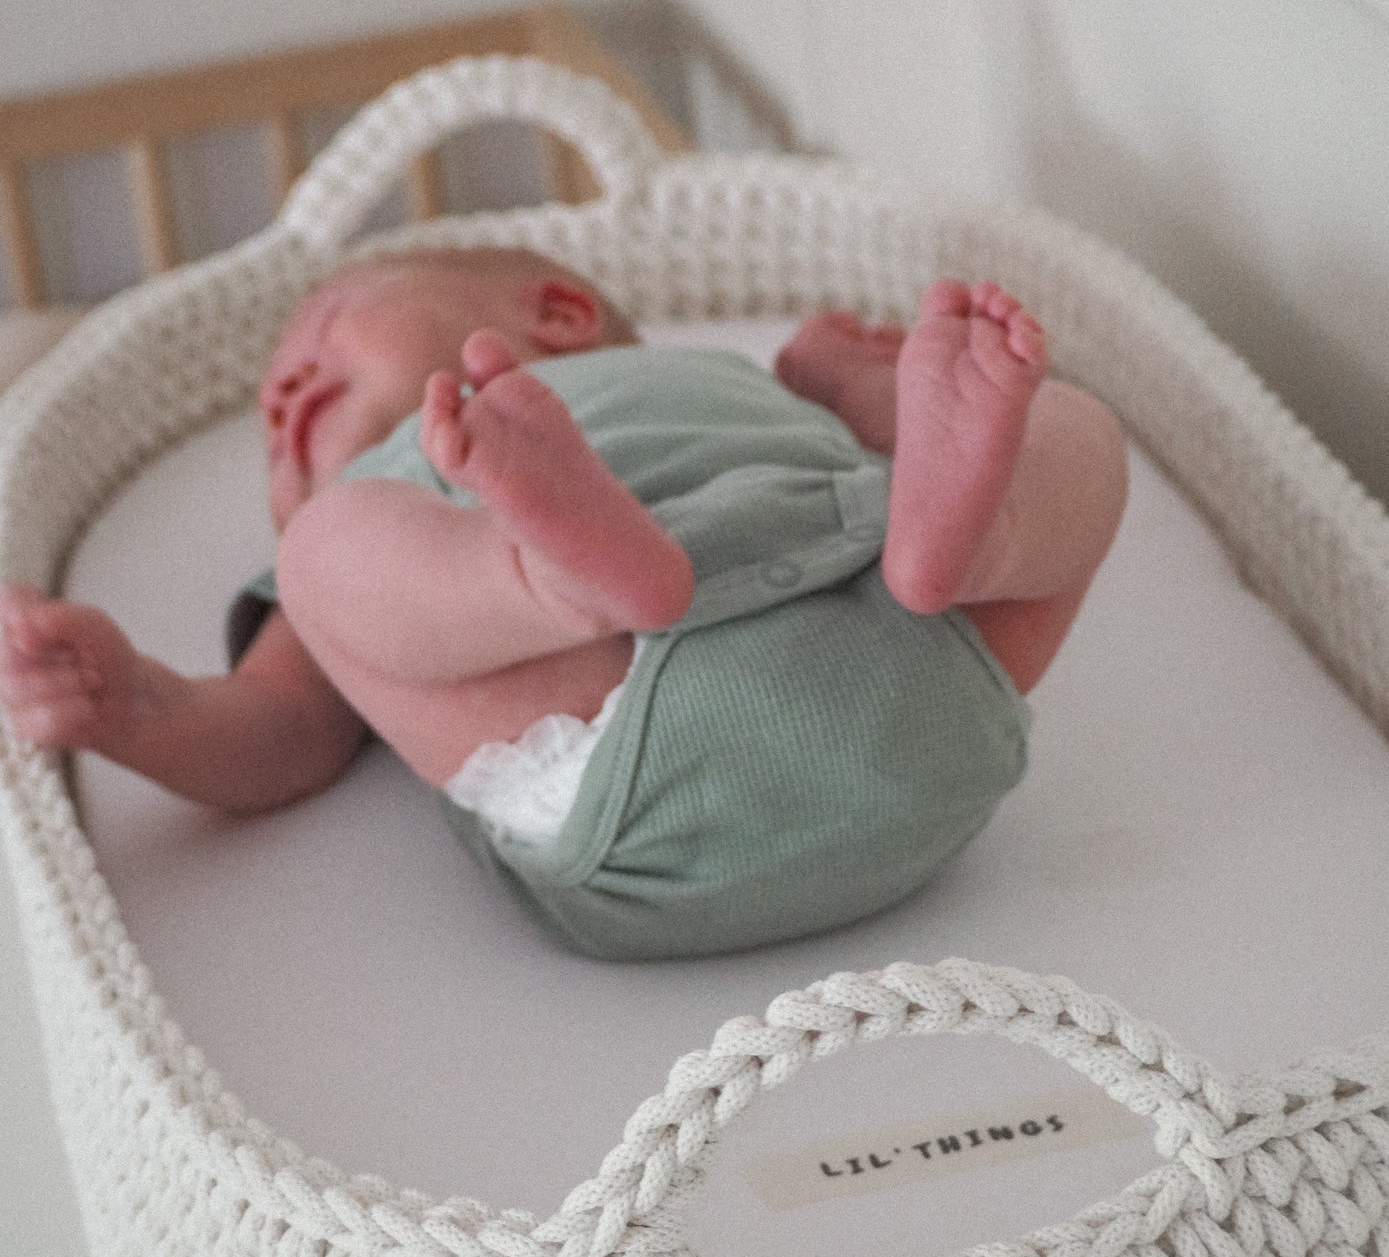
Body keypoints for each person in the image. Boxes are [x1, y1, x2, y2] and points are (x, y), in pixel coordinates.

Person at [0, 246, 1127, 958]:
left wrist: (844, 386)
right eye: (268, 423)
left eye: (323, 332)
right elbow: (281, 734)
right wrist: (137, 706)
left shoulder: (730, 379)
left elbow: (889, 448)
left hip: (899, 619)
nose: (283, 390)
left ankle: (964, 545)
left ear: (560, 312)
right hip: (625, 749)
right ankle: (542, 577)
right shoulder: (391, 491)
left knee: (1073, 432)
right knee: (321, 556)